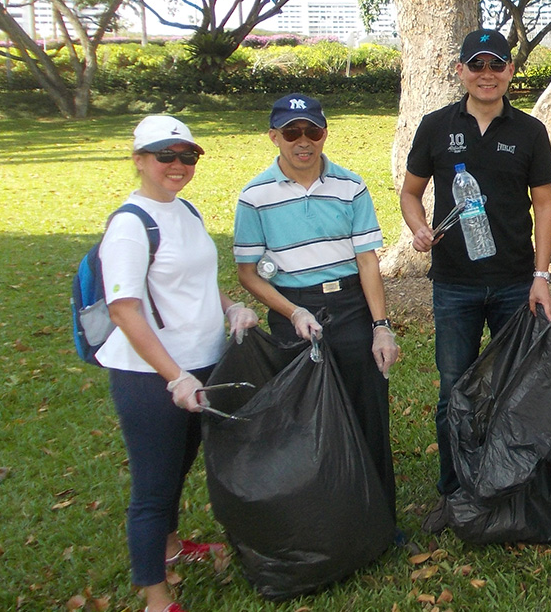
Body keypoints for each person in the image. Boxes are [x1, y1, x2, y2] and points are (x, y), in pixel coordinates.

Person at [102, 115, 259, 612]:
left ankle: (171, 547)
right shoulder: (131, 225)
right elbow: (123, 308)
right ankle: (155, 597)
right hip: (152, 375)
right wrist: (175, 377)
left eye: (186, 156)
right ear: (140, 160)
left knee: (180, 465)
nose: (177, 165)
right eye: (164, 155)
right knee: (153, 484)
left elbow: (197, 281)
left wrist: (229, 306)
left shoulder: (185, 210)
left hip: (202, 363)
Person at [399, 29, 551, 508]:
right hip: (454, 283)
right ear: (461, 70)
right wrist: (419, 228)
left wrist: (541, 275)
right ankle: (454, 489)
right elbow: (409, 192)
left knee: (514, 387)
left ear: (510, 70)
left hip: (514, 282)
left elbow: (545, 207)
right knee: (454, 387)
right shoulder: (434, 125)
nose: (487, 74)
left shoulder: (530, 131)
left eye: (496, 65)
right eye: (477, 65)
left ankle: (508, 483)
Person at [232, 94, 400, 526]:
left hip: (349, 306)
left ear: (324, 134)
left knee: (368, 412)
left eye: (313, 131)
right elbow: (248, 274)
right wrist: (292, 313)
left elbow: (367, 261)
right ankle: (319, 519)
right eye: (292, 132)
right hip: (293, 310)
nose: (303, 141)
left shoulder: (351, 186)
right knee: (304, 416)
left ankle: (378, 517)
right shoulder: (254, 196)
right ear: (274, 137)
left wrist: (380, 327)